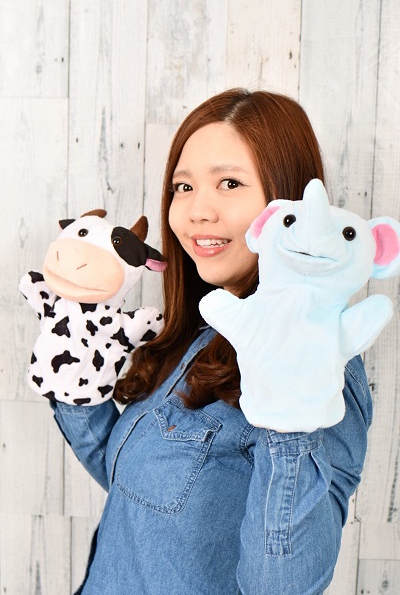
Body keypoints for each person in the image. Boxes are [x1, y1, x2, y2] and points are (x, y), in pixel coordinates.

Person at [50, 89, 372, 595]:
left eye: (230, 183)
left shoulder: (322, 367)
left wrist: (290, 425)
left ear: (287, 203)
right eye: (183, 186)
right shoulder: (202, 334)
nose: (196, 211)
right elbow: (137, 485)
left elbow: (281, 588)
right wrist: (75, 379)